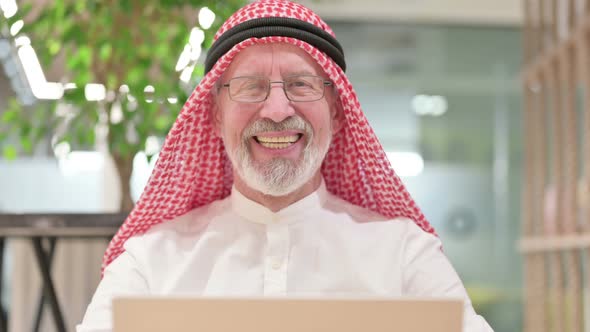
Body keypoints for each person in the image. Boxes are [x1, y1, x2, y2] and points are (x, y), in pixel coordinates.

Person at [78, 1, 493, 331]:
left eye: (300, 85)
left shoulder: (403, 255)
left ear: (336, 112)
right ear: (215, 117)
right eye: (250, 87)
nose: (277, 110)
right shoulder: (150, 261)